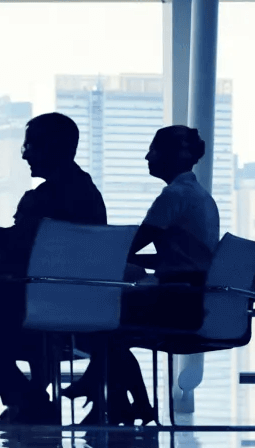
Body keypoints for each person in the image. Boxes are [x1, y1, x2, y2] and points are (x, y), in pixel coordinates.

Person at [0, 113, 108, 424]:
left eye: (29, 145)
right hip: (81, 306)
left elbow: (15, 254)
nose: (24, 153)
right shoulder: (90, 194)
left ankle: (17, 393)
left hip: (36, 307)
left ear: (50, 147)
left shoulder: (42, 200)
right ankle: (8, 388)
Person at [77, 125, 218, 425]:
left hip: (179, 300)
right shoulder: (198, 195)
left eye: (153, 149)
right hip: (192, 296)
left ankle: (128, 402)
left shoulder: (174, 195)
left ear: (173, 155)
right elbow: (182, 255)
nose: (146, 156)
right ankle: (126, 403)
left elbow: (136, 242)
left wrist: (98, 257)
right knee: (107, 325)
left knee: (101, 324)